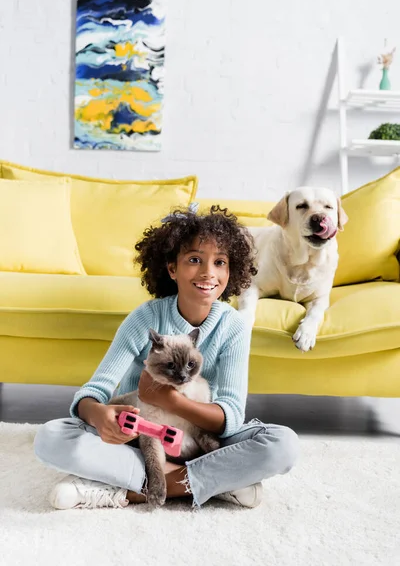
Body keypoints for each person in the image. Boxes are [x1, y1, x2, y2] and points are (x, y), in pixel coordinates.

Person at [34, 205, 299, 510]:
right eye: (195, 260)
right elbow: (93, 392)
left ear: (231, 271)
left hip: (202, 443)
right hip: (140, 443)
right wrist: (99, 416)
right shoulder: (144, 319)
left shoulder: (233, 325)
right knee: (51, 437)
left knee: (283, 444)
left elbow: (230, 418)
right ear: (172, 268)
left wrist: (170, 401)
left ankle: (126, 490)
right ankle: (212, 482)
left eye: (220, 262)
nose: (208, 273)